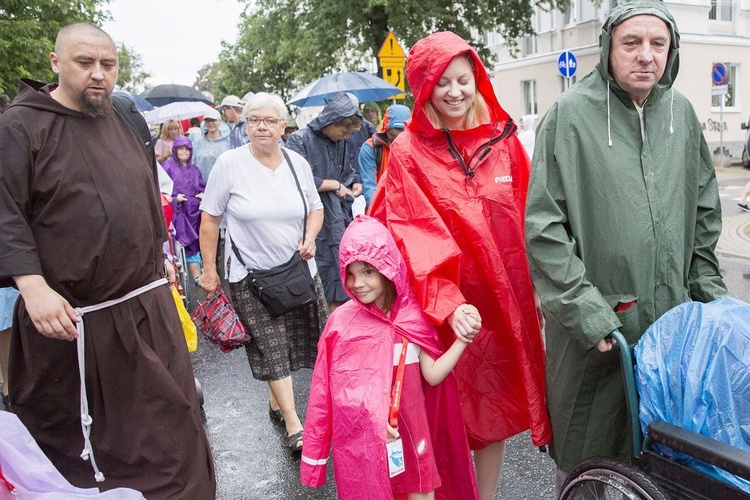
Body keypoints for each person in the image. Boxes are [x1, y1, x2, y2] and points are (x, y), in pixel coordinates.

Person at [0, 23, 215, 496]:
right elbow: (4, 211)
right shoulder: (19, 126)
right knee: (84, 461)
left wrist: (161, 252)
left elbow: (142, 190)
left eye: (108, 65)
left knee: (176, 438)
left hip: (147, 312)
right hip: (73, 328)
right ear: (56, 63)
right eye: (84, 63)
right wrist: (31, 286)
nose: (98, 75)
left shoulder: (125, 116)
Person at [524, 1, 729, 493]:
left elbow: (703, 210)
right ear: (608, 48)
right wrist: (586, 313)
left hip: (672, 325)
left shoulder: (680, 114)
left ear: (671, 51)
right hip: (598, 330)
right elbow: (544, 229)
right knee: (590, 453)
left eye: (658, 44)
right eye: (631, 43)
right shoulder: (569, 118)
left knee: (666, 455)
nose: (645, 56)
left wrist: (709, 294)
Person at [369, 31, 551, 500]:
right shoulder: (408, 152)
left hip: (499, 300)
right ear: (424, 88)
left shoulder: (504, 141)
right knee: (439, 411)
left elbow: (534, 215)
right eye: (442, 82)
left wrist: (542, 291)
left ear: (477, 81)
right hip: (440, 308)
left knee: (491, 411)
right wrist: (447, 303)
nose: (454, 91)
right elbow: (412, 232)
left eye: (463, 80)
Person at [301, 214, 479, 499]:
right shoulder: (343, 324)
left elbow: (432, 375)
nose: (358, 282)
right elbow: (334, 390)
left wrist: (462, 340)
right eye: (350, 273)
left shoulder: (413, 317)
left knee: (422, 492)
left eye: (368, 271)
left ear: (388, 268)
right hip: (371, 436)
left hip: (414, 431)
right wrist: (371, 420)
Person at [199, 92, 328, 453]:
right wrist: (209, 271)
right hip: (251, 277)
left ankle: (276, 401)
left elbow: (315, 208)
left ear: (283, 126)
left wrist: (311, 237)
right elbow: (210, 219)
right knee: (272, 348)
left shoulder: (297, 163)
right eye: (254, 119)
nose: (261, 127)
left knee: (300, 343)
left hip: (299, 272)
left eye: (270, 120)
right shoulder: (229, 163)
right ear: (245, 124)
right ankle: (293, 422)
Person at [286, 91, 363, 312]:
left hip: (338, 215)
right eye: (344, 130)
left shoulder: (340, 141)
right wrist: (334, 185)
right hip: (312, 216)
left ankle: (339, 321)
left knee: (340, 265)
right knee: (319, 268)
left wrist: (354, 181)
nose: (346, 135)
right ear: (331, 122)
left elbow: (346, 170)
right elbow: (296, 180)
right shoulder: (299, 140)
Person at [161, 136, 206, 282]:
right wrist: (174, 198)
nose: (184, 151)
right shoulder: (168, 167)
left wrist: (202, 194)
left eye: (187, 149)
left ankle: (197, 276)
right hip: (177, 212)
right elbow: (162, 189)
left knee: (193, 244)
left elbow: (202, 186)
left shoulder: (195, 170)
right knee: (177, 243)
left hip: (193, 213)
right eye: (181, 148)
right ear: (175, 150)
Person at [359, 104, 410, 206]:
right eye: (392, 135)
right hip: (381, 206)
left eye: (402, 135)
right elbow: (369, 186)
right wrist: (378, 211)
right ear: (385, 129)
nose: (397, 140)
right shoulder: (371, 148)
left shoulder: (414, 147)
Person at [189, 106, 231, 182]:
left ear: (219, 122)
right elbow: (192, 164)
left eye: (213, 120)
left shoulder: (227, 142)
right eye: (207, 121)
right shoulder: (198, 142)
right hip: (201, 186)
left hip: (222, 183)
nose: (210, 123)